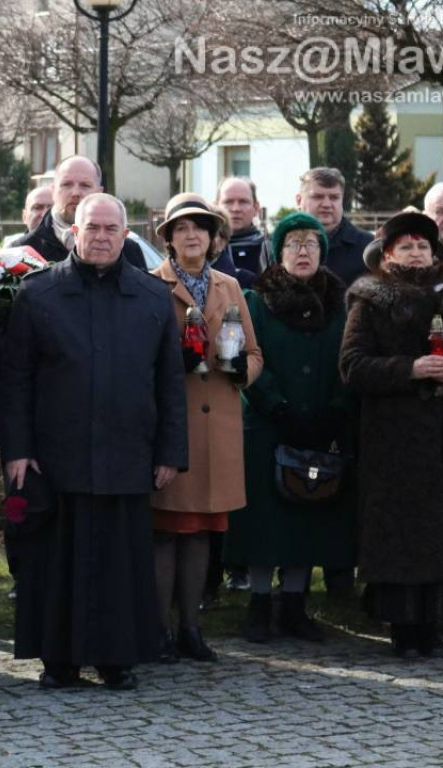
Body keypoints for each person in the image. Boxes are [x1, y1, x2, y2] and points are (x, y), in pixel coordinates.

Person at [0, 192, 188, 690]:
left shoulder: (152, 297)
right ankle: (58, 661)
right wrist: (17, 450)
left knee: (120, 564)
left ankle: (117, 659)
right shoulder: (37, 294)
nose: (101, 237)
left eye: (111, 229)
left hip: (128, 453)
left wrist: (171, 451)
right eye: (92, 228)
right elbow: (15, 380)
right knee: (58, 563)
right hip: (55, 459)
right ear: (72, 234)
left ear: (126, 236)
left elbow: (169, 380)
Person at [223, 212, 356, 643]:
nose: (303, 251)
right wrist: (276, 407)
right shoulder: (255, 300)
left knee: (307, 514)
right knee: (265, 521)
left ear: (323, 251)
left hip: (320, 427)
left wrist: (334, 412)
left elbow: (347, 364)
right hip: (266, 426)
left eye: (312, 244)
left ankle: (295, 606)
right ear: (278, 253)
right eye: (294, 243)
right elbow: (246, 357)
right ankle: (260, 606)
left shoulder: (340, 304)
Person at [150, 193, 262, 663]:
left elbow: (254, 354)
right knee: (165, 531)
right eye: (181, 229)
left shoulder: (229, 288)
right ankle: (157, 632)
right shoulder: (151, 285)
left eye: (200, 227)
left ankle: (191, 628)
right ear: (170, 240)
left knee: (200, 532)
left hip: (218, 429)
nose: (191, 235)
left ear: (214, 238)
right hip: (172, 425)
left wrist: (241, 372)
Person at [339, 211, 443, 657]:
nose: (417, 254)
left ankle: (433, 626)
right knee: (401, 536)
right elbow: (352, 366)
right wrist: (411, 368)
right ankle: (403, 628)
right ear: (387, 255)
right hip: (393, 439)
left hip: (438, 439)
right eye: (407, 247)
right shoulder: (371, 299)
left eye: (423, 247)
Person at [10, 155, 146, 269]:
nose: (75, 193)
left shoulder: (128, 251)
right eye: (66, 184)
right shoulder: (22, 250)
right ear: (53, 190)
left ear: (99, 192)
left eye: (85, 185)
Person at [295, 168, 372, 287]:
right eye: (317, 197)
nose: (326, 204)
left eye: (334, 197)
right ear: (299, 200)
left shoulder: (367, 246)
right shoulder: (274, 246)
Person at [214, 177, 270, 288]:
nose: (236, 209)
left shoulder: (271, 250)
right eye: (228, 202)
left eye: (243, 202)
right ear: (216, 207)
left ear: (256, 207)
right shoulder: (204, 250)